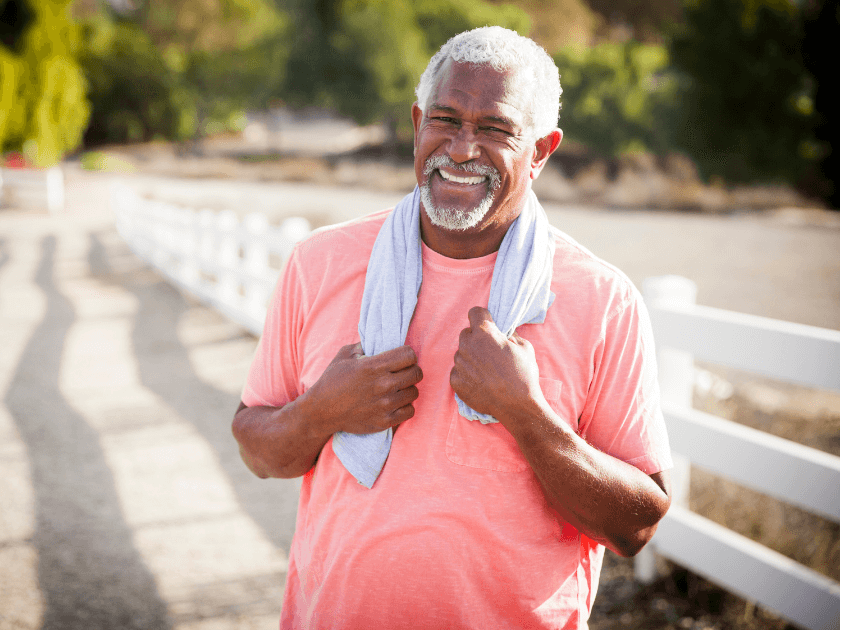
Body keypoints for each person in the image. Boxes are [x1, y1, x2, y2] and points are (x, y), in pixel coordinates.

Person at [232, 26, 673, 630]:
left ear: (541, 151)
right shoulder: (321, 263)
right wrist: (321, 412)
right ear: (417, 124)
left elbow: (637, 525)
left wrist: (525, 412)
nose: (462, 149)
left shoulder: (601, 299)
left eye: (495, 129)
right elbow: (258, 451)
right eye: (445, 120)